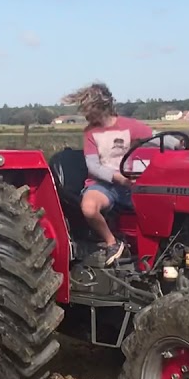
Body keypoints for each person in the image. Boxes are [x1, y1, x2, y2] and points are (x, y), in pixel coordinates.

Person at [61, 82, 153, 266]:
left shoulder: (130, 126)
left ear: (99, 106)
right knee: (89, 207)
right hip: (104, 185)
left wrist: (179, 142)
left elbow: (156, 138)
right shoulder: (91, 132)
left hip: (131, 184)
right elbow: (93, 166)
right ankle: (112, 242)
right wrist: (118, 178)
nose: (85, 114)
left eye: (87, 109)